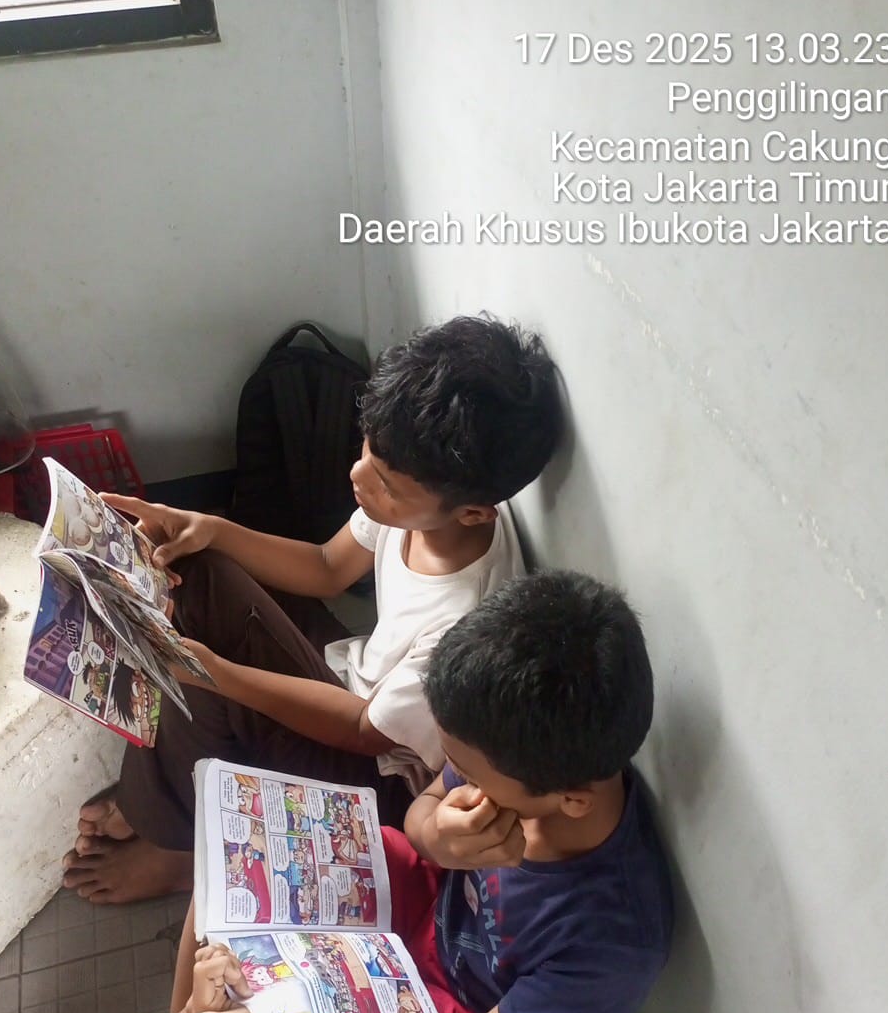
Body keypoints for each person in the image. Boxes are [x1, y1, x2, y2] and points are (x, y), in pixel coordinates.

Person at [0, 570, 674, 1013]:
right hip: (426, 900)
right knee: (242, 862)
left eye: (470, 774)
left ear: (570, 800)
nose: (459, 780)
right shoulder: (510, 753)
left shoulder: (611, 939)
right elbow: (424, 818)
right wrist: (442, 839)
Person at [61, 315, 561, 904]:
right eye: (367, 450)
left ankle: (178, 847)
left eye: (386, 484)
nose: (358, 476)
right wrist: (212, 527)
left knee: (207, 676)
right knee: (196, 571)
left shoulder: (467, 625)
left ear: (473, 512)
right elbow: (326, 566)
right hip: (355, 683)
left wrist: (221, 675)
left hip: (380, 776)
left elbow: (363, 731)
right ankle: (168, 800)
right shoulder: (426, 501)